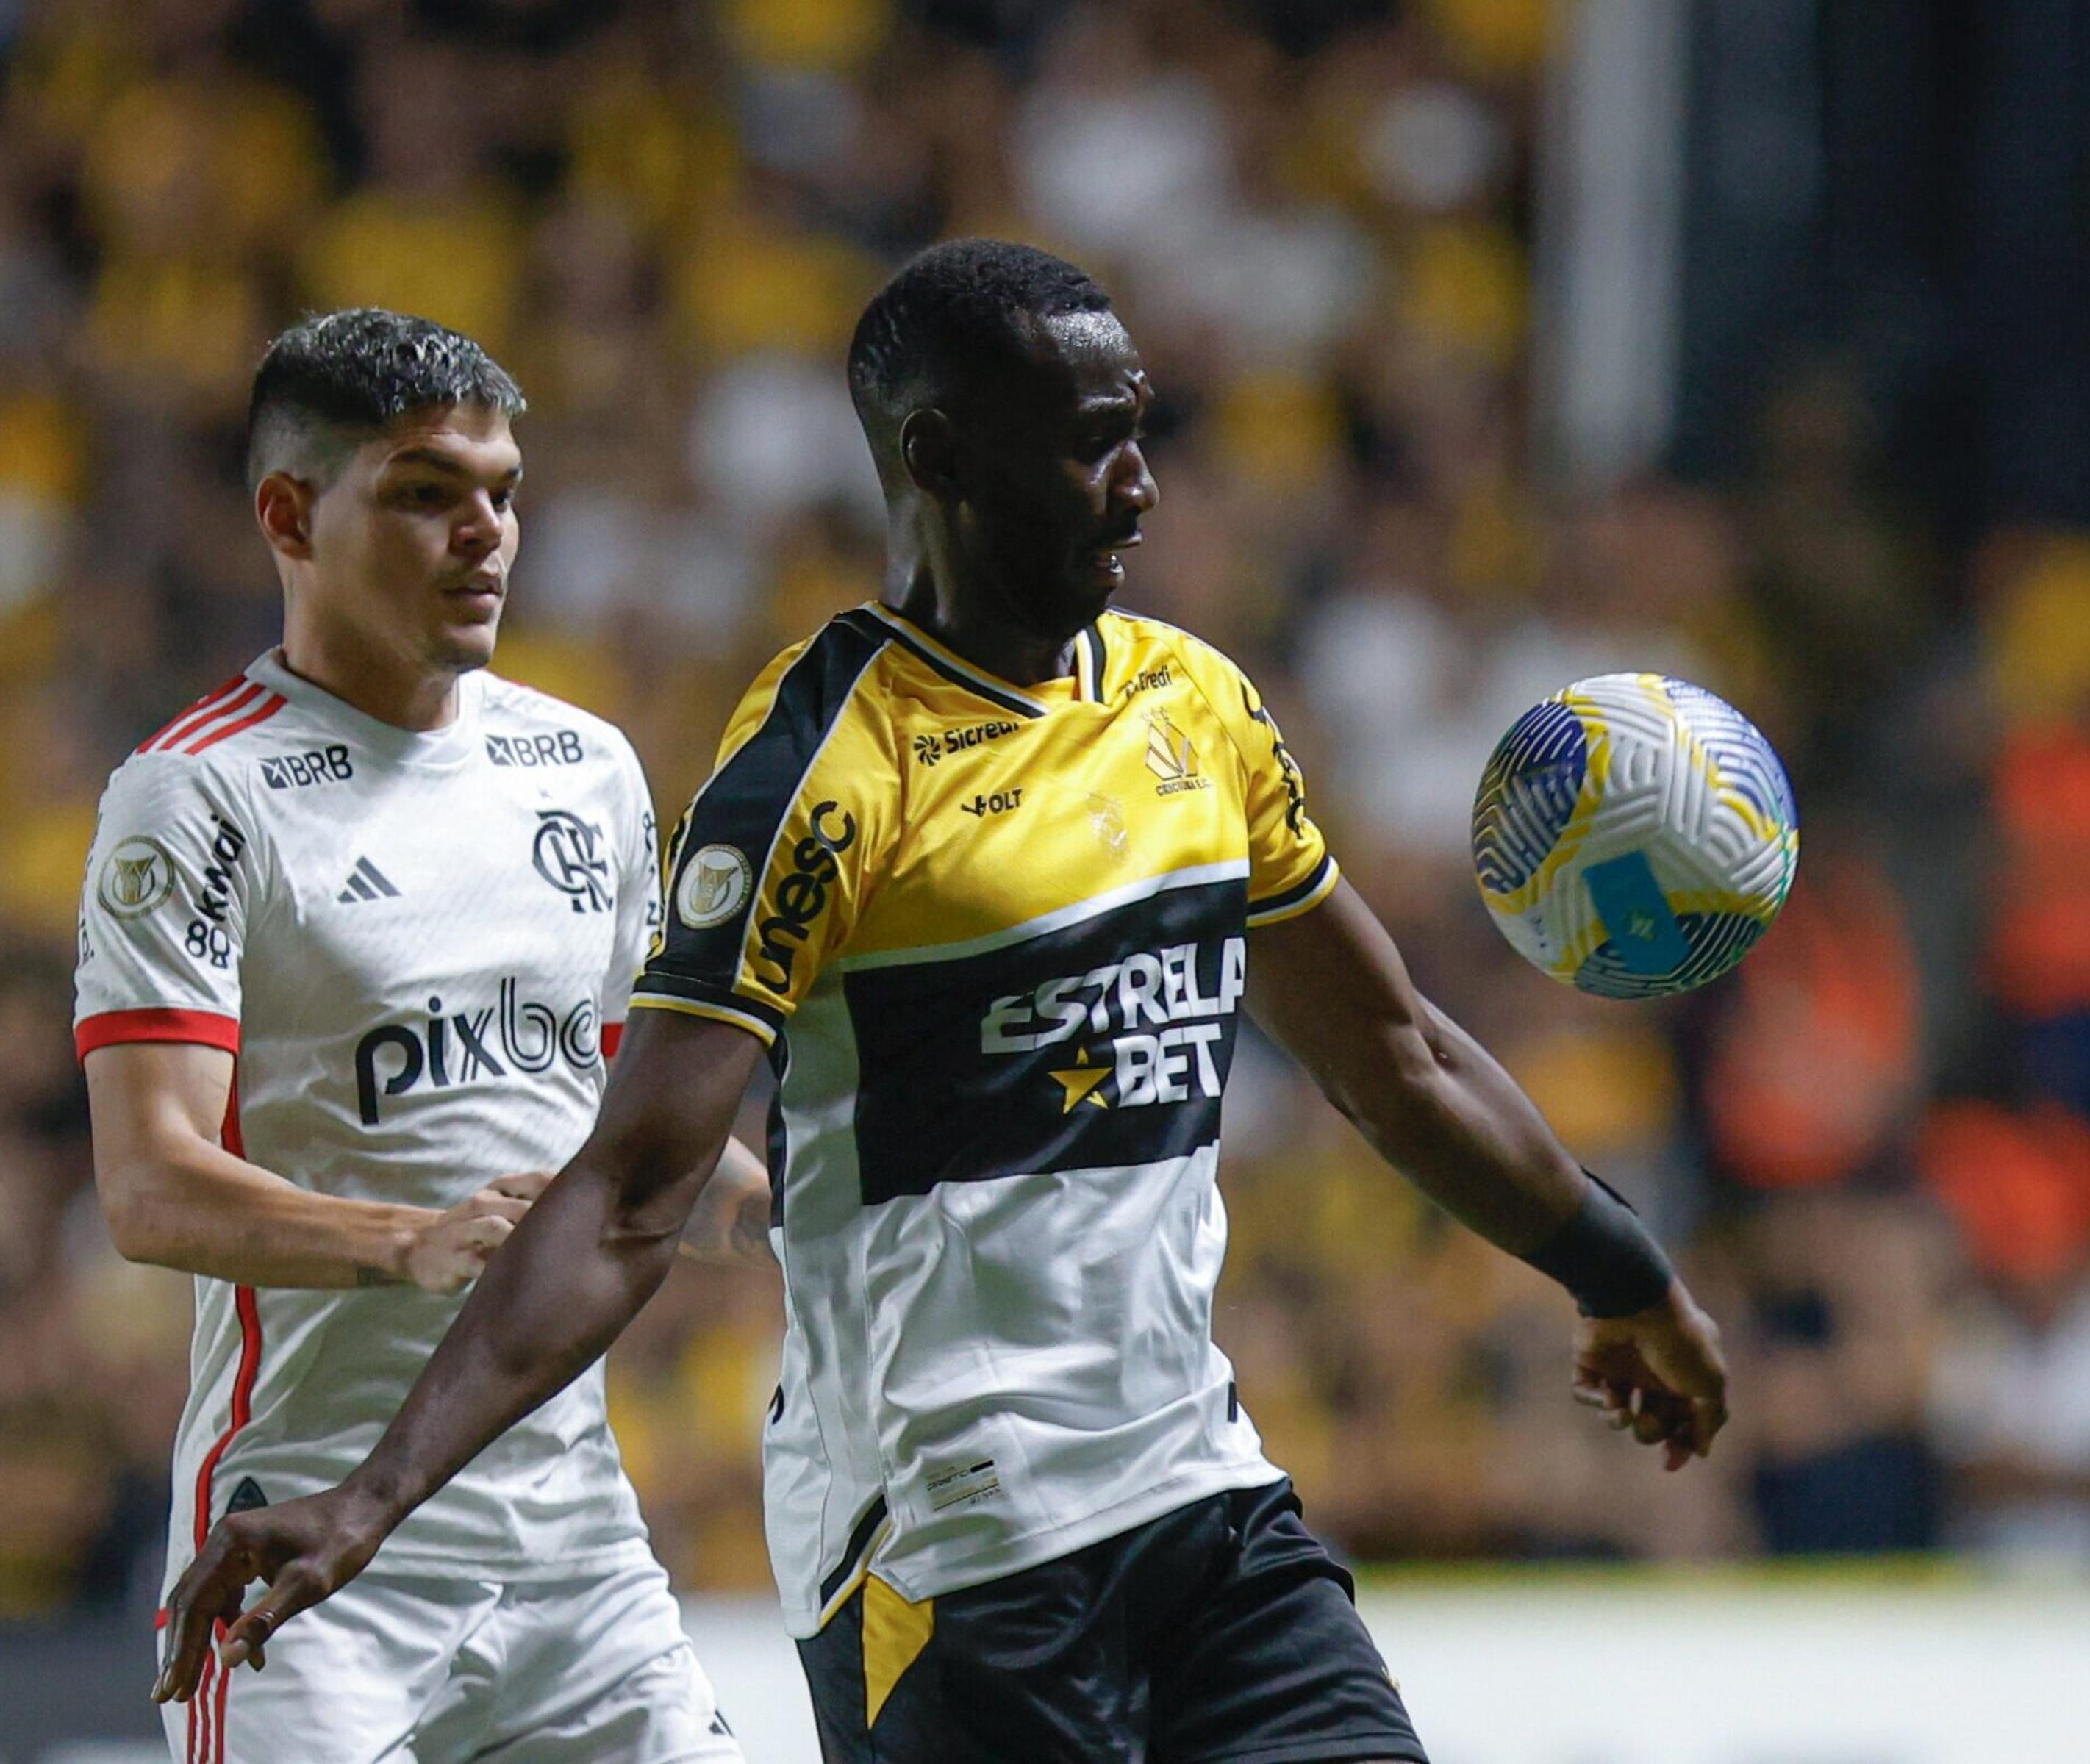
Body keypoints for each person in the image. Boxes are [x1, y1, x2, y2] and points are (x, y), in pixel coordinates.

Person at [154, 246, 1731, 1762]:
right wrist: (371, 1497)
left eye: (1143, 438)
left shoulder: (1195, 707)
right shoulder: (818, 771)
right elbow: (634, 1191)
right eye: (1096, 445)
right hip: (950, 1548)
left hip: (1204, 1501)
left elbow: (1394, 1058)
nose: (1143, 485)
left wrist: (1615, 1266)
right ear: (942, 454)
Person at [79, 308, 765, 1764]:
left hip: (574, 1544)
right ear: (288, 515)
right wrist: (409, 1238)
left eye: (503, 492)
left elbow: (626, 1129)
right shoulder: (197, 796)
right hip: (304, 1553)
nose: (486, 534)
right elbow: (149, 1185)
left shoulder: (584, 769)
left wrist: (814, 1203)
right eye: (425, 494)